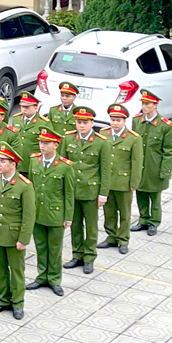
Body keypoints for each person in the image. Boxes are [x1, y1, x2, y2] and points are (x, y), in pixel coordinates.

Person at [25, 128, 73, 297]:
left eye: (46, 143)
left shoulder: (65, 167)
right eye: (40, 142)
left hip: (55, 214)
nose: (42, 146)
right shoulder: (34, 161)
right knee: (40, 246)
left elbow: (69, 193)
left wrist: (68, 217)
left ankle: (54, 279)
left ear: (56, 145)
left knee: (55, 248)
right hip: (38, 212)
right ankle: (41, 276)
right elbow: (30, 187)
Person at [64, 107, 111, 275]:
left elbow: (105, 170)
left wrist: (103, 193)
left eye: (85, 122)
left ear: (92, 123)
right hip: (73, 191)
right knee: (75, 225)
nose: (81, 126)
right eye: (79, 122)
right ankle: (77, 255)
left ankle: (89, 257)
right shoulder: (68, 138)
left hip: (91, 190)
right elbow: (64, 166)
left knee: (91, 227)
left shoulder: (101, 142)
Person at [0, 146, 34, 320]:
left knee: (16, 271)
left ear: (13, 164)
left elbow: (29, 215)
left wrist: (23, 238)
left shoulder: (24, 185)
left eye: (3, 161)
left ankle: (18, 303)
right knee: (0, 269)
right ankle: (3, 300)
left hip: (14, 235)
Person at [102, 103, 143, 254]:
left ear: (125, 121)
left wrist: (134, 182)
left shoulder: (133, 138)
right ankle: (111, 236)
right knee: (109, 211)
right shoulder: (104, 134)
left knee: (125, 213)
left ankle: (123, 239)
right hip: (107, 182)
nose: (115, 123)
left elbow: (137, 162)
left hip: (123, 182)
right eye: (113, 119)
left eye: (119, 120)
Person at [133, 89, 172, 236]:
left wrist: (165, 171)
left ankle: (154, 222)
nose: (144, 107)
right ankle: (143, 219)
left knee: (155, 196)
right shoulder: (137, 121)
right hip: (139, 167)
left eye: (147, 104)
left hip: (154, 166)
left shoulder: (165, 125)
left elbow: (169, 150)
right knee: (140, 194)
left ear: (155, 105)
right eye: (143, 104)